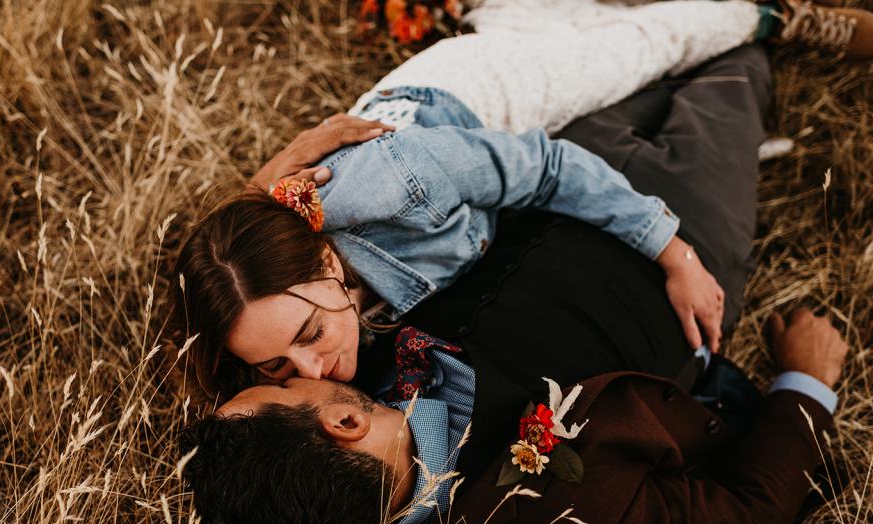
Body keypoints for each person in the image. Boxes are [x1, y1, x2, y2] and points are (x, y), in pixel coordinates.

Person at [176, 45, 852, 524]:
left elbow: (232, 292)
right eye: (278, 384)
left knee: (638, 53)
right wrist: (806, 385)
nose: (292, 369)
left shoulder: (336, 375)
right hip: (687, 256)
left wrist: (265, 198)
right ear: (345, 422)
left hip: (557, 176)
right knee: (726, 78)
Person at [166, 0, 873, 399]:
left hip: (473, 95)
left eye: (310, 340)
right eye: (279, 370)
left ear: (326, 261)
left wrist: (673, 250)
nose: (316, 374)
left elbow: (548, 168)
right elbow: (233, 263)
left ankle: (772, 17)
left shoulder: (401, 181)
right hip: (422, 151)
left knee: (636, 49)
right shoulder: (273, 301)